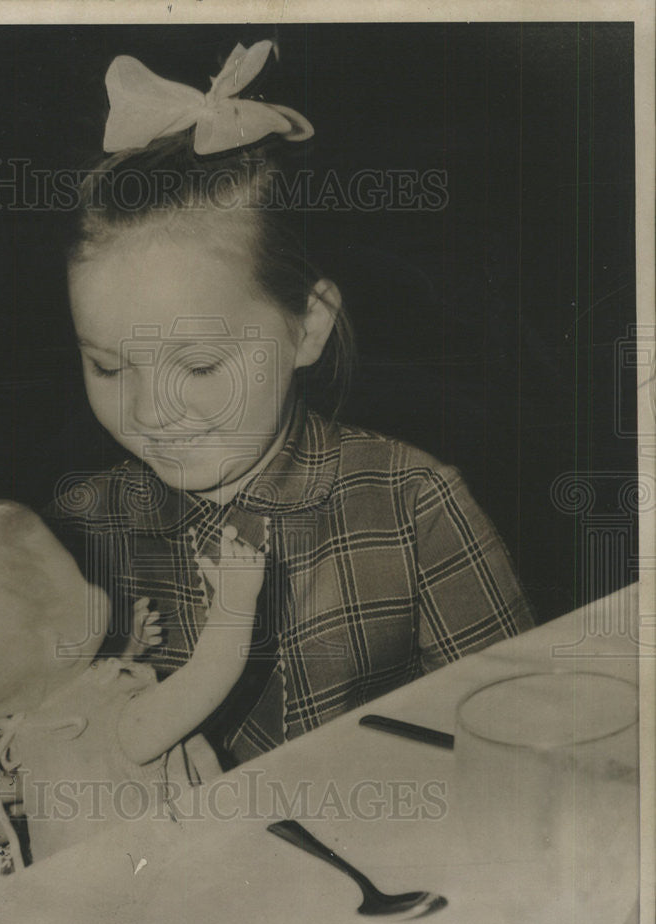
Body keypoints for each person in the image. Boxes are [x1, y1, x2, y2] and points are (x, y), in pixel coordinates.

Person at [48, 40, 535, 769]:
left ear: (306, 327)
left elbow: (520, 734)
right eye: (108, 366)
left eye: (201, 365)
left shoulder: (414, 505)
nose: (150, 411)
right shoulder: (92, 529)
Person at [0, 498, 264, 867]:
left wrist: (123, 657)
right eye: (70, 575)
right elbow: (207, 679)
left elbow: (71, 707)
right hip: (164, 888)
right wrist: (236, 602)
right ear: (56, 638)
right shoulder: (117, 722)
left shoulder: (22, 724)